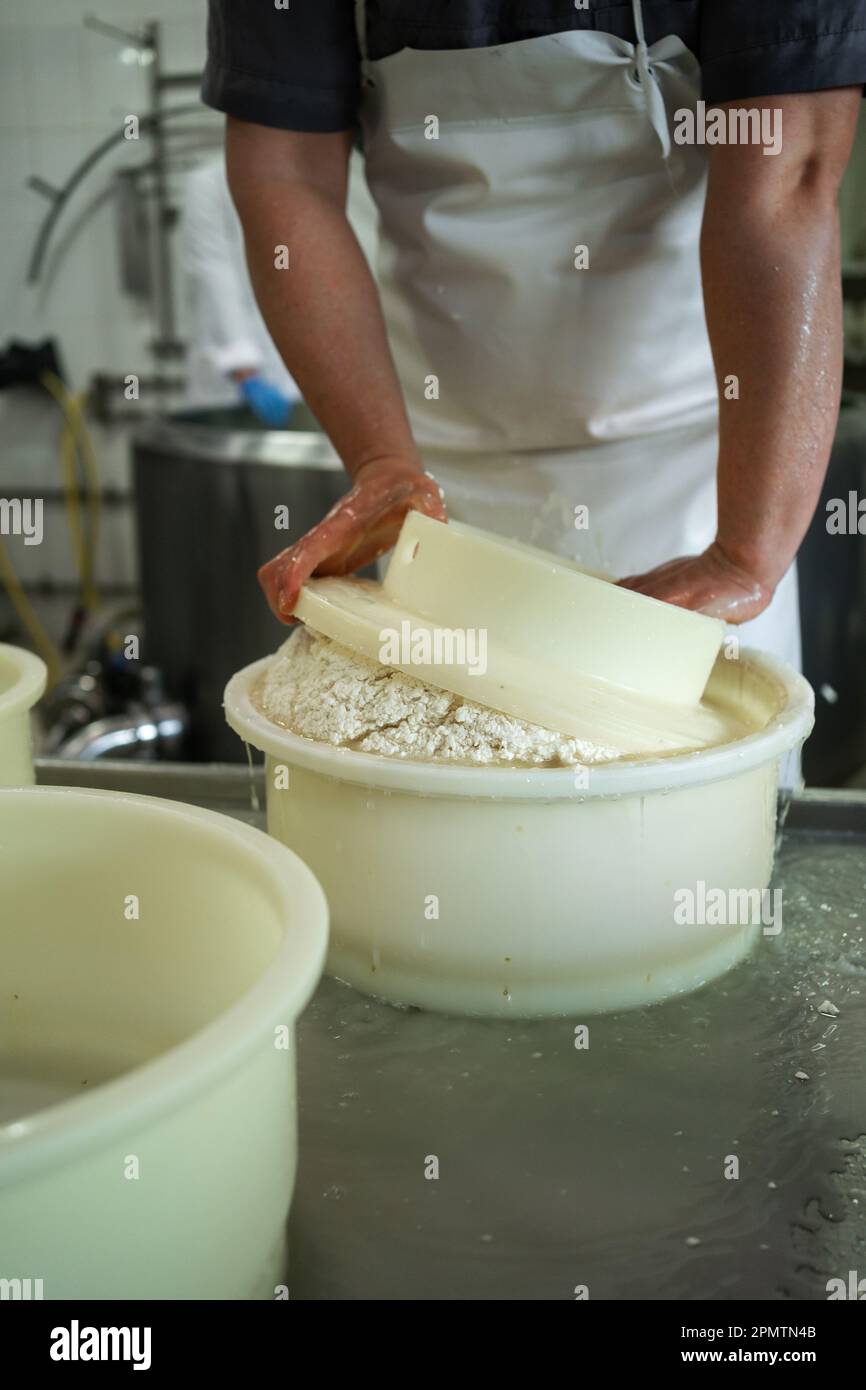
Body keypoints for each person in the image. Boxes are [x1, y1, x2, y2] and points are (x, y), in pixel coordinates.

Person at [201, 1, 863, 672]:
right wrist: (380, 463)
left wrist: (746, 555)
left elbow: (790, 169)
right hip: (430, 478)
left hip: (707, 477)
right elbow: (285, 174)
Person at [181, 156, 301, 425]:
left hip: (294, 376)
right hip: (235, 383)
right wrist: (244, 368)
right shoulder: (210, 183)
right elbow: (212, 275)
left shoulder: (301, 182)